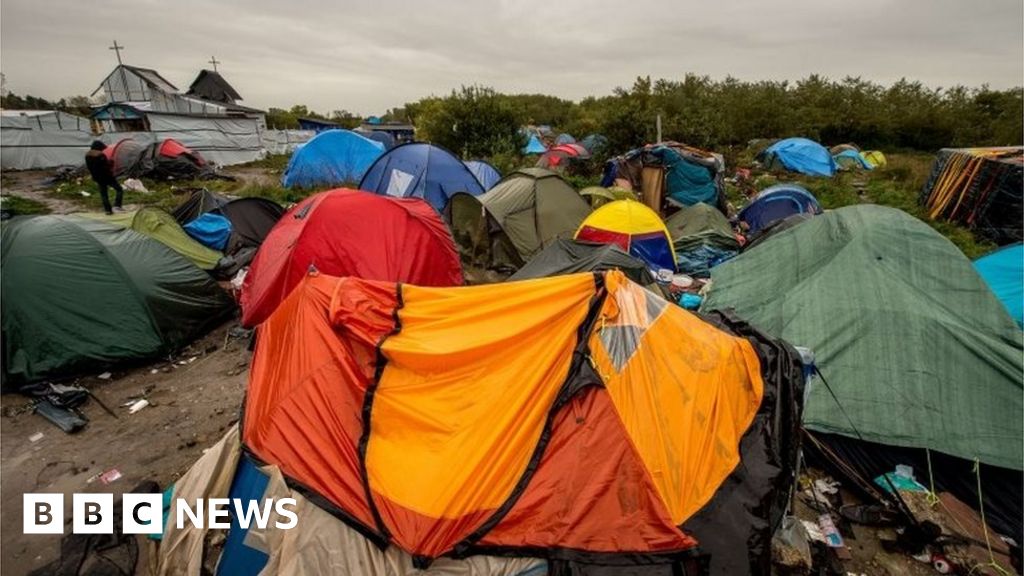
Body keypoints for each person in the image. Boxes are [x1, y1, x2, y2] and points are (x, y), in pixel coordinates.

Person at [85, 140, 124, 215]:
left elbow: (91, 168)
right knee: (119, 189)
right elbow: (106, 167)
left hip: (97, 178)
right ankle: (117, 205)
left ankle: (108, 210)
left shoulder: (87, 156)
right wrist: (111, 163)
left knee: (104, 194)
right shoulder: (101, 156)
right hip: (107, 177)